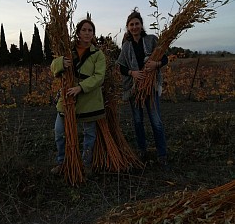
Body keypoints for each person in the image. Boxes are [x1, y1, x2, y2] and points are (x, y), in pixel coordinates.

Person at [50, 19, 106, 174]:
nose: (87, 33)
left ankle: (85, 164)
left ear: (93, 34)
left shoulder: (98, 54)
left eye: (90, 30)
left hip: (89, 99)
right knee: (59, 132)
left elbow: (99, 76)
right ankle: (62, 163)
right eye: (84, 30)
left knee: (89, 133)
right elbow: (53, 66)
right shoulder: (68, 51)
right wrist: (61, 62)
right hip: (68, 98)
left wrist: (80, 87)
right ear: (78, 33)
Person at [117, 9, 168, 168]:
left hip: (150, 89)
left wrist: (156, 64)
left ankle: (162, 154)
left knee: (156, 121)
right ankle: (142, 151)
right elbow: (121, 67)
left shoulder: (152, 40)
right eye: (131, 24)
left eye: (137, 24)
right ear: (128, 27)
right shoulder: (126, 46)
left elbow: (164, 58)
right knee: (138, 121)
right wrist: (132, 73)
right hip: (135, 90)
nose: (134, 27)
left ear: (141, 25)